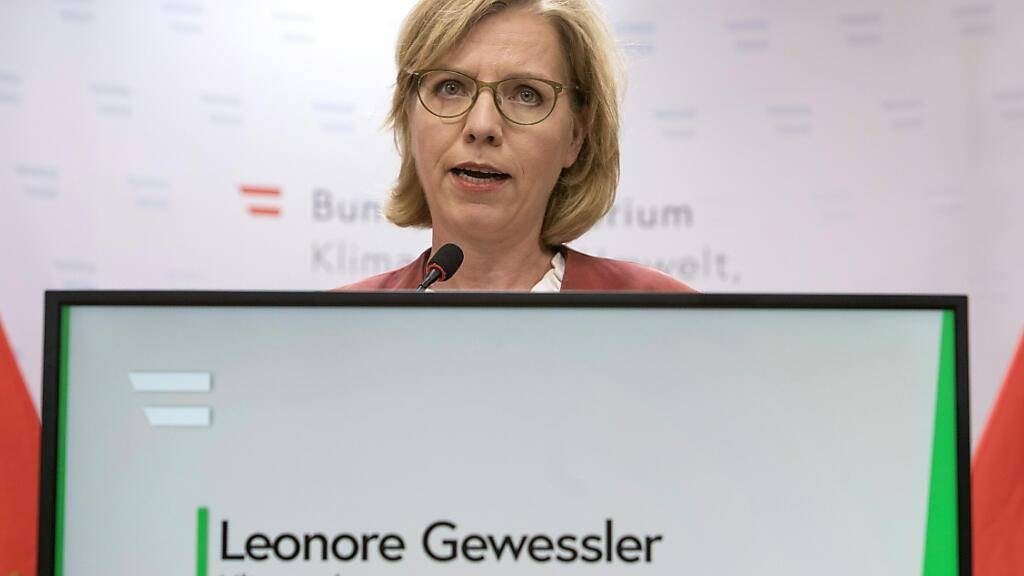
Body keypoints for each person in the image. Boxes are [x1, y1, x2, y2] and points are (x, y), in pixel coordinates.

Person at [342, 0, 693, 292]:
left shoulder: (669, 317)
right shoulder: (339, 330)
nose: (482, 126)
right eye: (450, 87)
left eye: (526, 94)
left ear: (575, 137)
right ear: (408, 117)